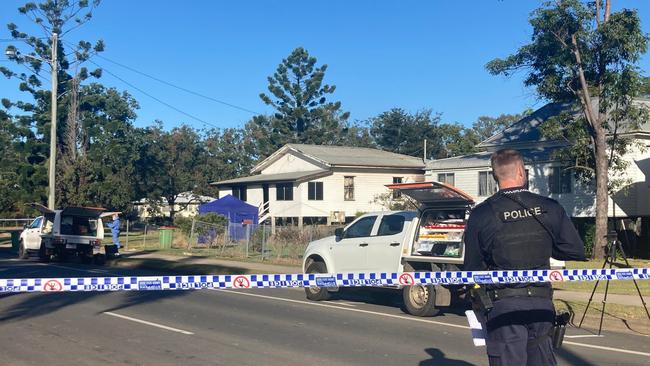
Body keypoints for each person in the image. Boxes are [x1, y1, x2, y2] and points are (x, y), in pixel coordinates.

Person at [464, 149, 586, 366]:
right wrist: (547, 246)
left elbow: (472, 266)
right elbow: (575, 250)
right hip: (541, 304)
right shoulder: (549, 207)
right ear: (521, 171)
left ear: (494, 176)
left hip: (503, 306)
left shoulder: (481, 213)